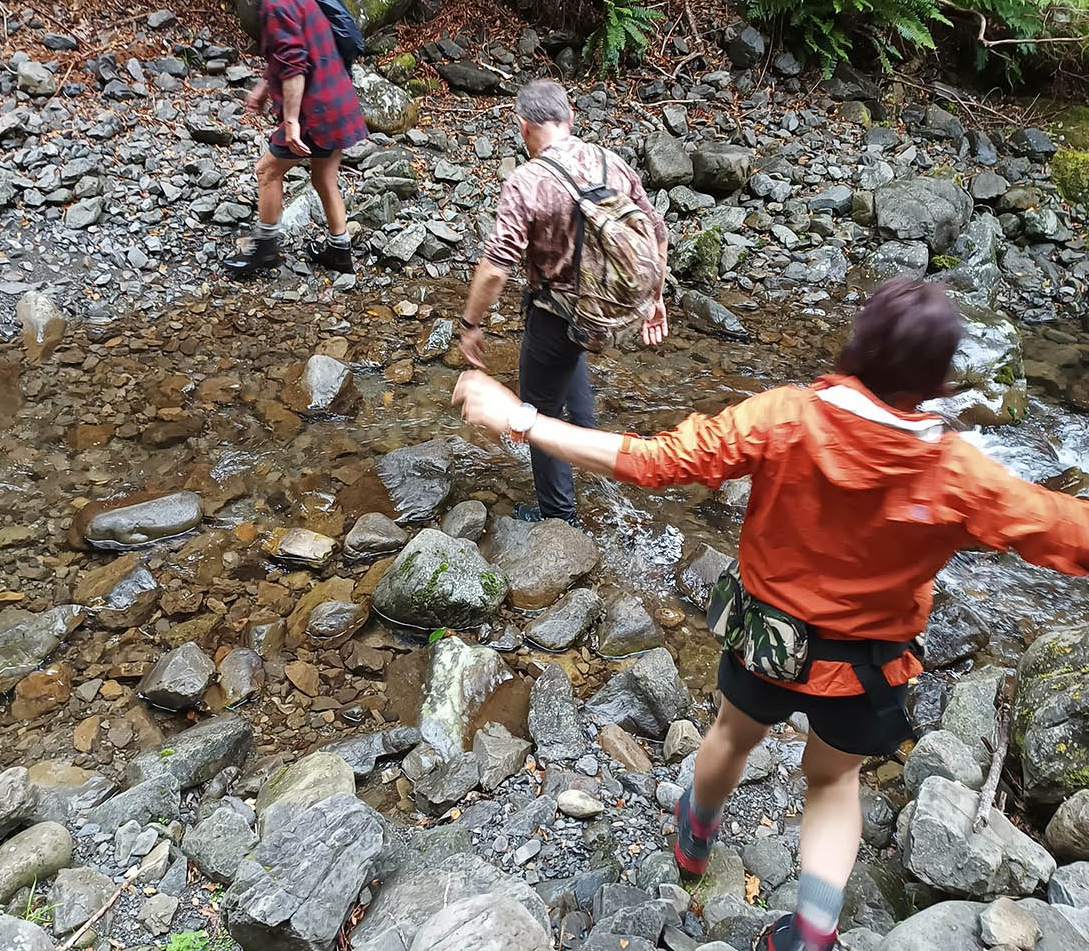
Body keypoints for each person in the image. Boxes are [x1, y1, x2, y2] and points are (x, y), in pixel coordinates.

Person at [452, 278, 1089, 951]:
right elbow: (1063, 529)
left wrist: (523, 419)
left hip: (767, 646)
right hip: (869, 671)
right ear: (935, 380)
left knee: (731, 737)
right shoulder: (956, 473)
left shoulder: (787, 417)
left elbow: (652, 461)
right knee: (833, 781)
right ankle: (811, 934)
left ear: (861, 344)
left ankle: (695, 838)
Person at [459, 78, 669, 525]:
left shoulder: (527, 181)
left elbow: (496, 267)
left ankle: (559, 515)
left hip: (558, 316)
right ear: (570, 118)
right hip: (609, 311)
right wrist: (655, 298)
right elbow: (656, 231)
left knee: (537, 410)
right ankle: (590, 448)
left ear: (523, 126)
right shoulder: (610, 162)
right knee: (570, 360)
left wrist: (470, 323)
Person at [221, 0, 368, 278]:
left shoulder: (275, 2)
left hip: (316, 111)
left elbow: (294, 67)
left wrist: (291, 122)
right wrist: (262, 89)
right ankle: (340, 251)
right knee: (324, 176)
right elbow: (289, 54)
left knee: (267, 171)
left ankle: (265, 251)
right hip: (338, 99)